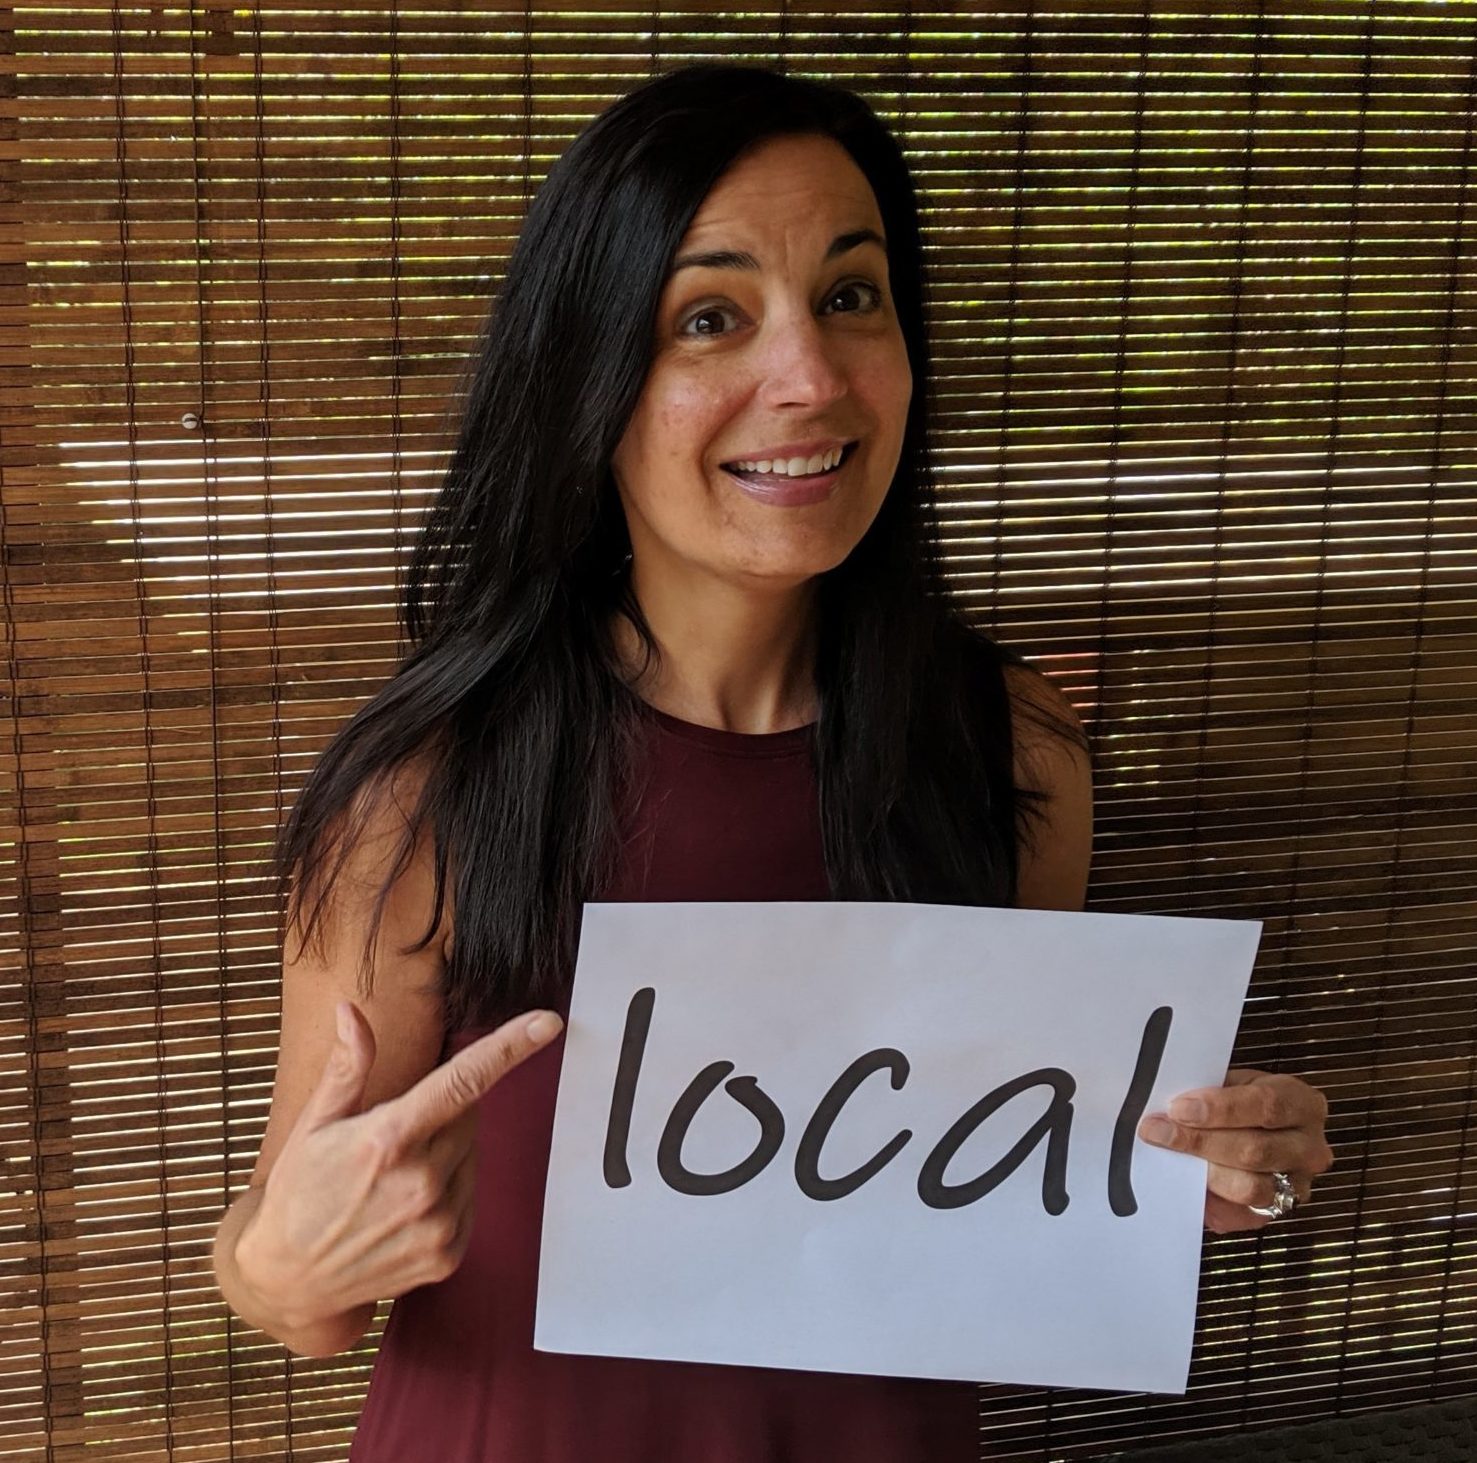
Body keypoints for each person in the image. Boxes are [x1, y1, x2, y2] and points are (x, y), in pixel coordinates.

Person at [210, 61, 1334, 1461]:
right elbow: (285, 1290)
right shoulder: (427, 787)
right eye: (710, 317)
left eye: (850, 296)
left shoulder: (1012, 748)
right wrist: (294, 1262)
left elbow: (1001, 1200)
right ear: (595, 375)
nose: (805, 377)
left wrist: (1198, 1174)